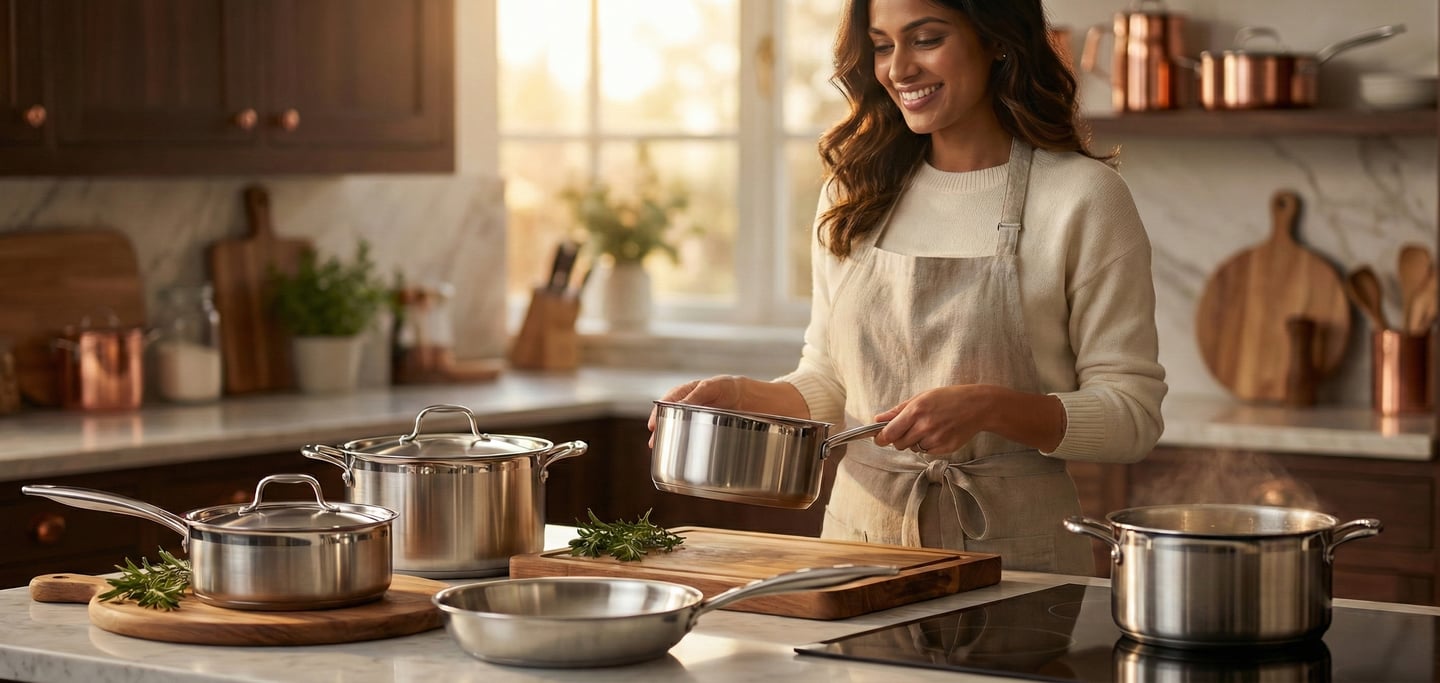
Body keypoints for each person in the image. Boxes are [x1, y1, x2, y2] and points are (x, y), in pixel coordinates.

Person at [649, 0, 1166, 574]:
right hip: (856, 551)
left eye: (925, 39)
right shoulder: (855, 193)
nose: (899, 69)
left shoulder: (1083, 198)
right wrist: (745, 397)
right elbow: (832, 381)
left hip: (1017, 558)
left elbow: (1130, 417)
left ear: (997, 39)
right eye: (883, 44)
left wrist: (989, 407)